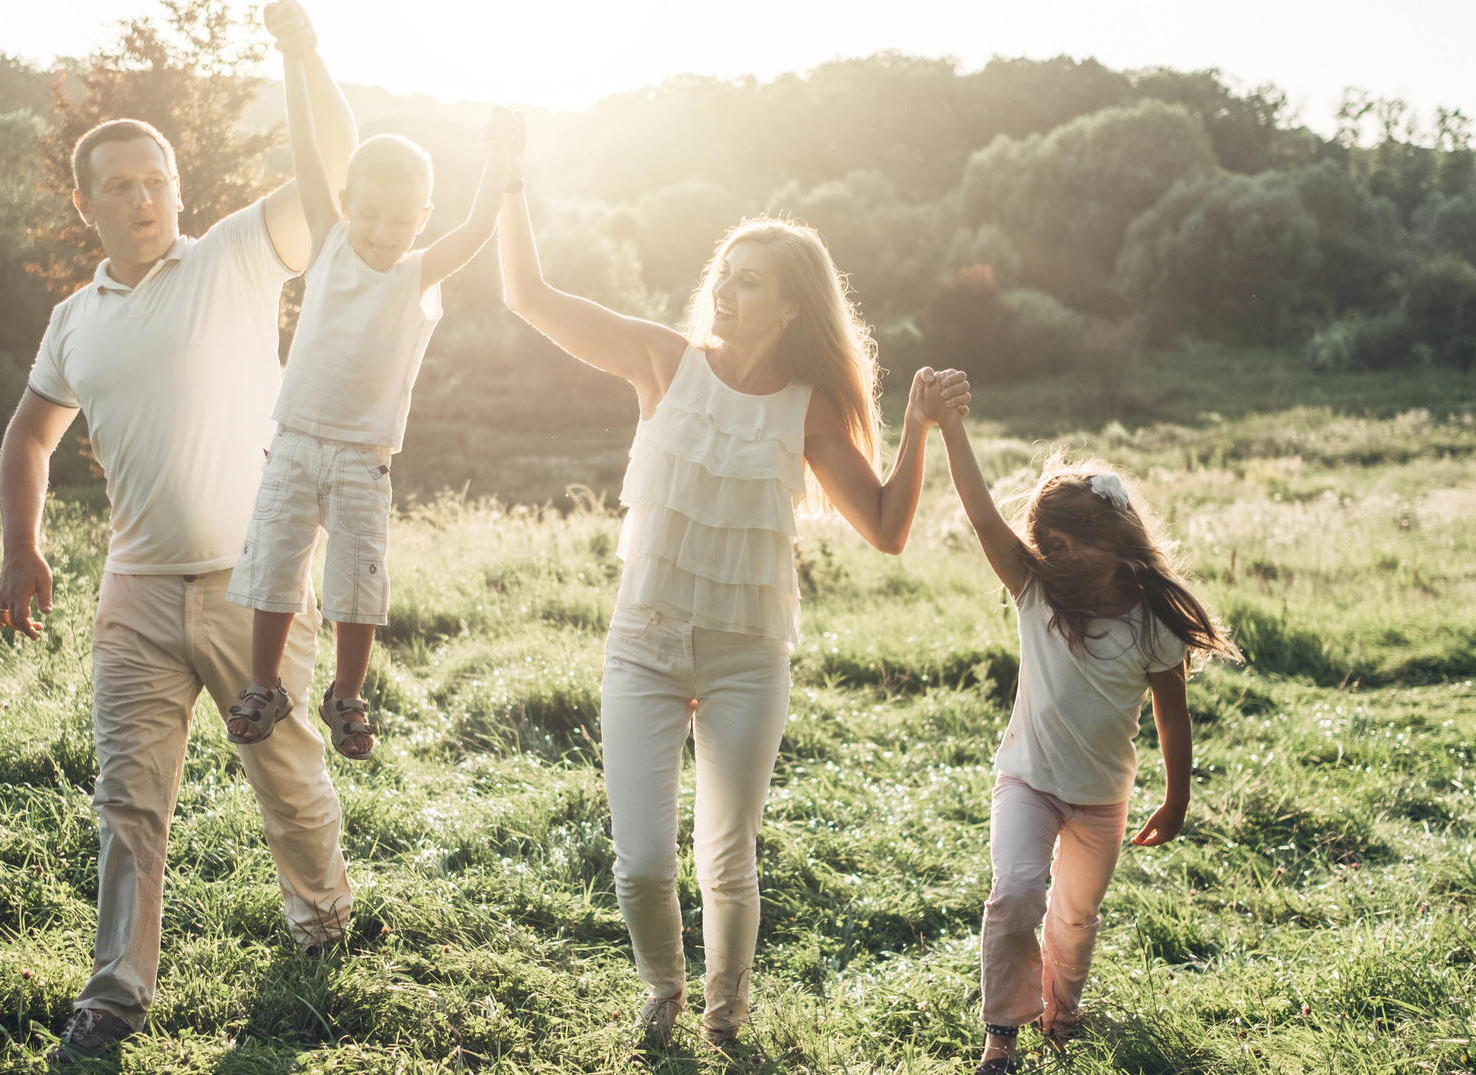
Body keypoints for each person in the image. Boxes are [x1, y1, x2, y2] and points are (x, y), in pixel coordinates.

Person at [497, 113, 970, 1049]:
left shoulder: (811, 409)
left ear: (791, 306)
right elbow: (528, 295)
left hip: (749, 654)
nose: (723, 288)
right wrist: (506, 177)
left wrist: (916, 429)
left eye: (746, 281)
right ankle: (660, 989)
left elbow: (884, 529)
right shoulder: (664, 362)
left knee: (727, 857)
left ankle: (724, 1014)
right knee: (640, 865)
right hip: (644, 642)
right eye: (722, 271)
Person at [0, 3, 358, 1064]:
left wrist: (303, 54)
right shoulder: (75, 318)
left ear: (178, 190)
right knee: (128, 802)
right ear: (86, 201)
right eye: (122, 184)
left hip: (256, 581)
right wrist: (23, 544)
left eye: (158, 180)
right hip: (135, 592)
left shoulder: (239, 255)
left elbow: (338, 164)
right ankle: (113, 997)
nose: (145, 197)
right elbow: (27, 437)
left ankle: (323, 918)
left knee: (286, 775)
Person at [916, 375, 1242, 1073]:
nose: (1051, 557)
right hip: (1027, 778)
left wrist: (1178, 795)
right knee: (1015, 894)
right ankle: (1002, 1030)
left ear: (1110, 539)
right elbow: (979, 516)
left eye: (1065, 546)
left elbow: (1170, 710)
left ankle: (1061, 1012)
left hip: (1101, 795)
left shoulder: (1151, 617)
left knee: (1074, 916)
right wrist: (949, 429)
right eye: (1046, 544)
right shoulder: (1034, 588)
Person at [219, 60, 518, 759]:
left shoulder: (417, 272)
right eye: (370, 213)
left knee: (357, 579)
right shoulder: (327, 245)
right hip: (293, 442)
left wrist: (501, 155)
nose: (383, 231)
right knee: (274, 570)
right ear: (347, 202)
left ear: (422, 219)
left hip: (363, 454)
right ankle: (264, 685)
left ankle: (345, 692)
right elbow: (304, 147)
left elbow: (477, 226)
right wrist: (295, 62)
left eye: (400, 218)